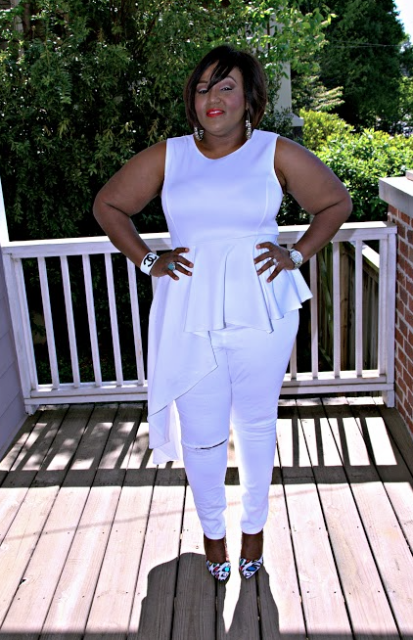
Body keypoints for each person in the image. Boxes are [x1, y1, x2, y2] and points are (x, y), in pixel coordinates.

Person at [93, 44, 352, 583]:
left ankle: (253, 529)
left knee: (255, 424)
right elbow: (109, 205)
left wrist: (297, 254)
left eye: (226, 86)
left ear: (249, 98)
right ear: (192, 100)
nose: (213, 97)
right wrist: (148, 260)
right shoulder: (169, 156)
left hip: (263, 311)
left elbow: (335, 202)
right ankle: (214, 534)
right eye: (203, 87)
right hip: (189, 311)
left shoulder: (274, 152)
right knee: (202, 432)